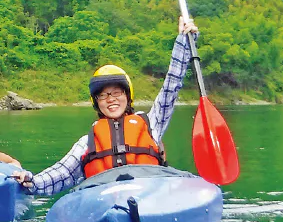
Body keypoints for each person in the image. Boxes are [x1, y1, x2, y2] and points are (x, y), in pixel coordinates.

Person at [11, 15, 198, 194]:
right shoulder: (87, 143)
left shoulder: (152, 124)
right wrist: (31, 181)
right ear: (96, 102)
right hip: (104, 202)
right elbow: (62, 173)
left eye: (117, 92)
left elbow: (171, 87)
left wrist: (183, 43)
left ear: (127, 95)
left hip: (149, 197)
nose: (111, 99)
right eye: (103, 95)